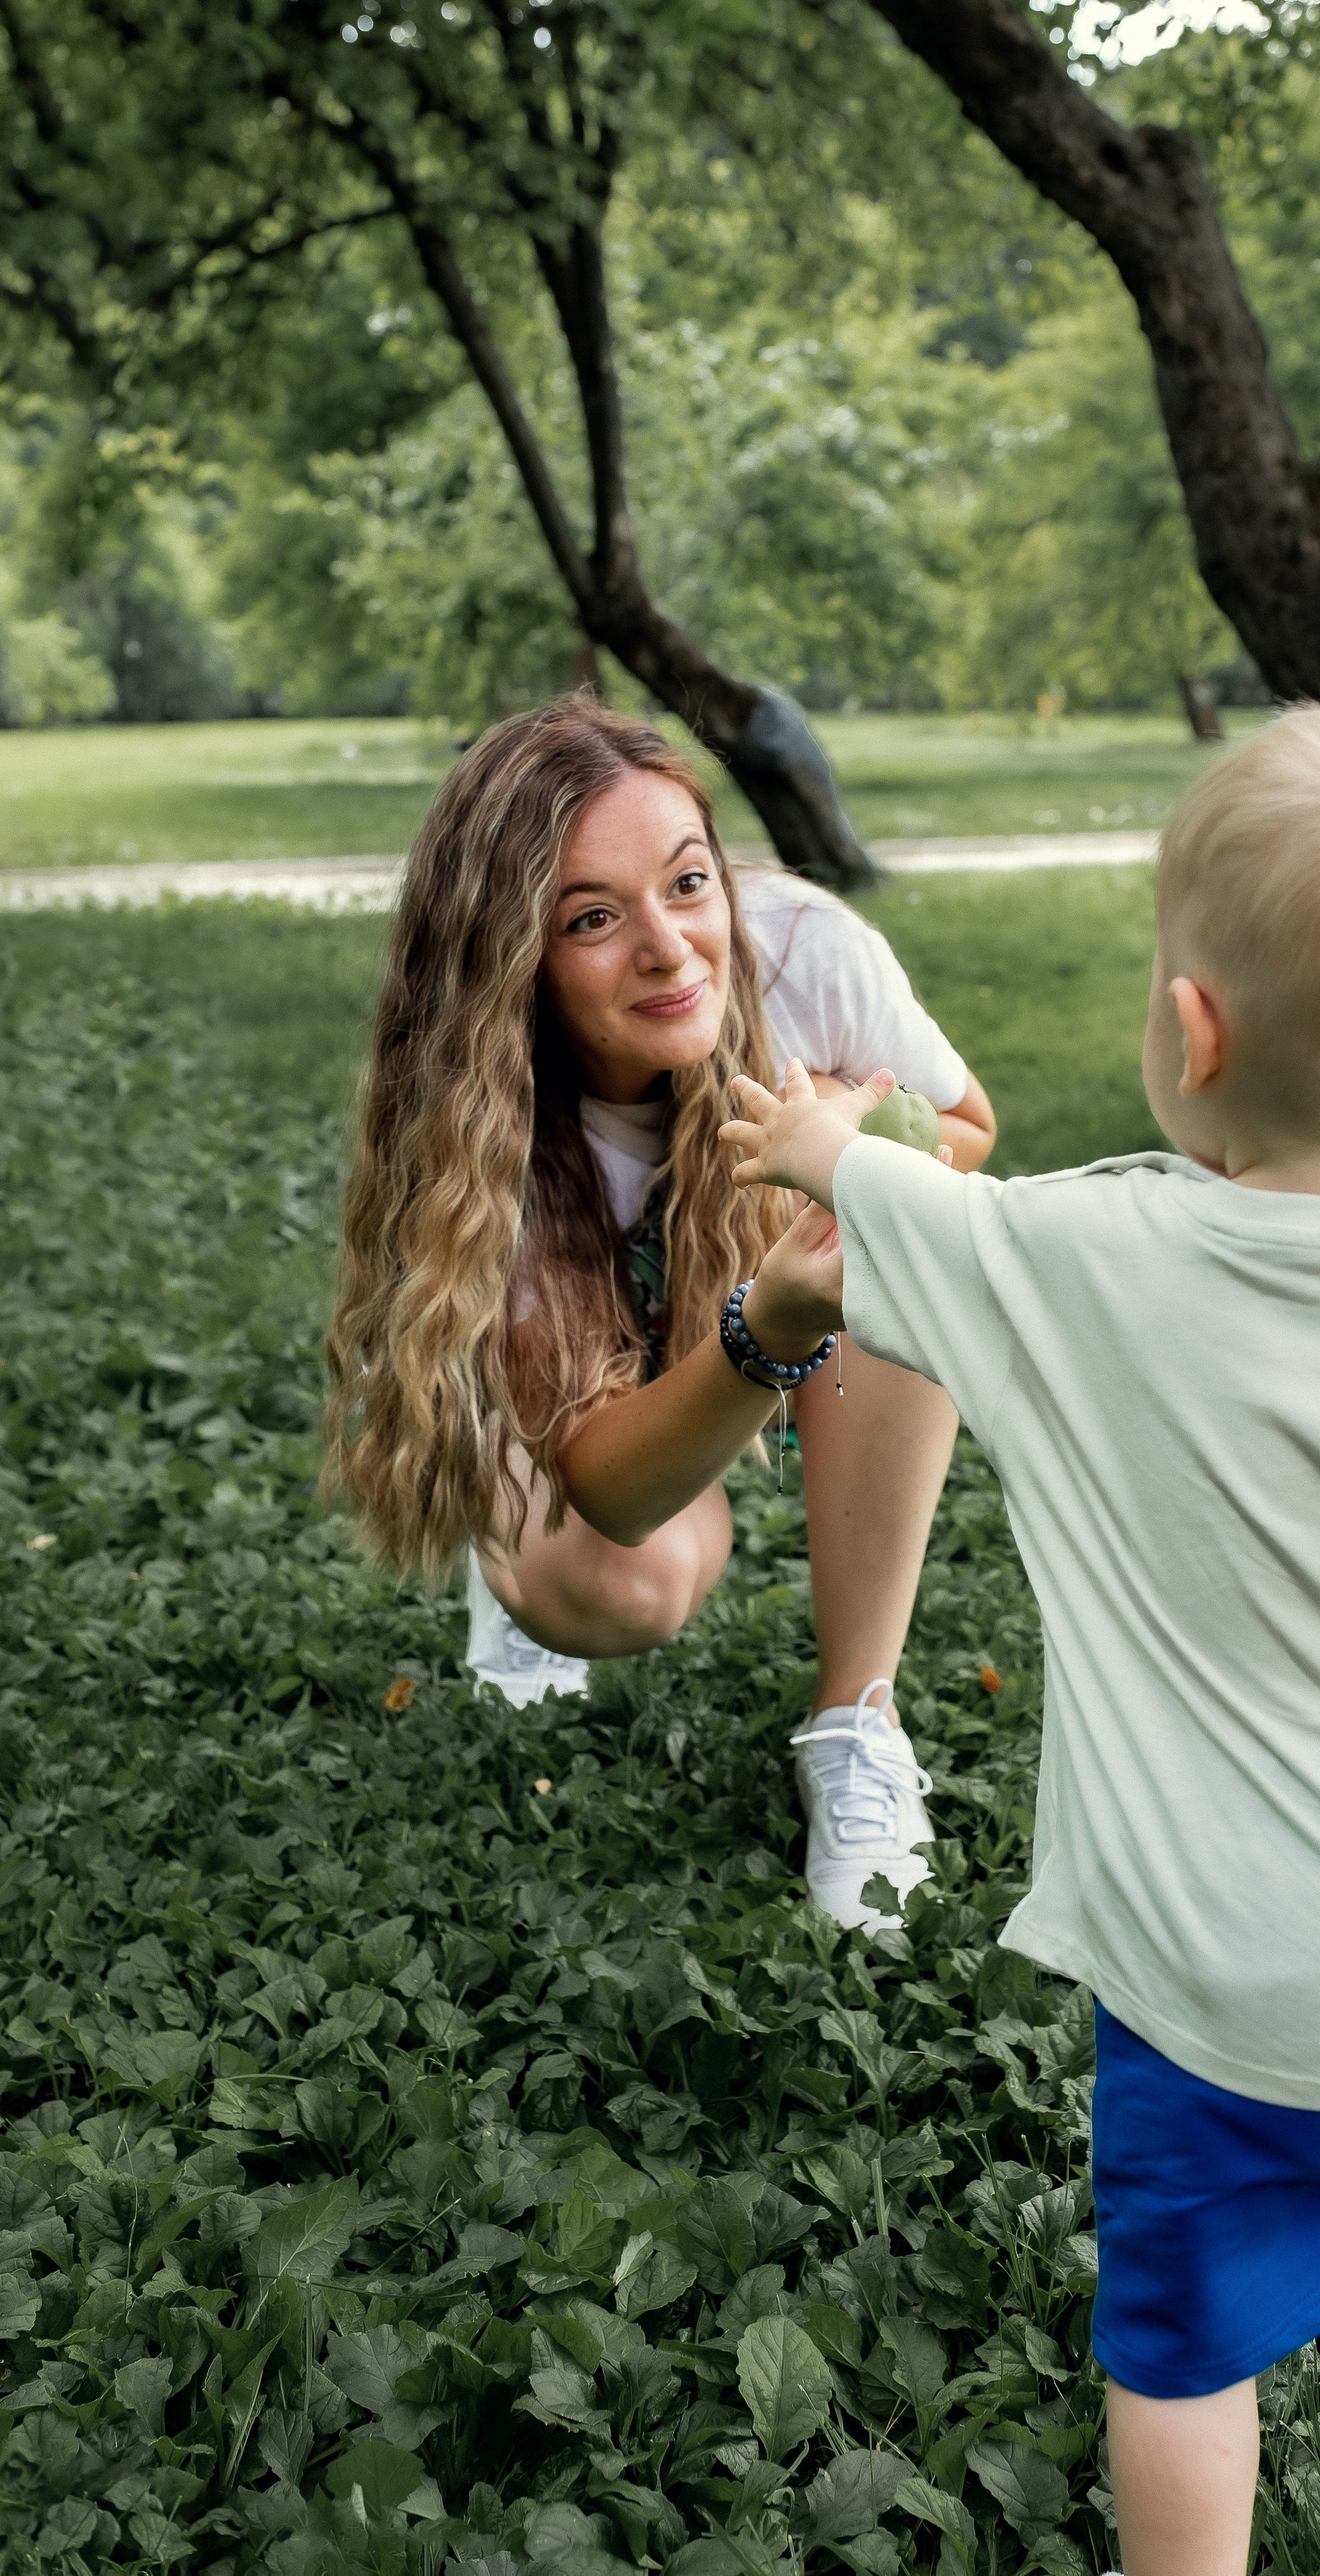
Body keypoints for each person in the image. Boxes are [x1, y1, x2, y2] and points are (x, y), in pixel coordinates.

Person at [718, 703, 1320, 2576]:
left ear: (1191, 1032)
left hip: (1219, 1984)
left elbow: (886, 1197)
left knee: (1182, 2345)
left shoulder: (1080, 1258)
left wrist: (813, 1131)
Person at [327, 693, 995, 1927]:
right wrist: (766, 1328)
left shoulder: (804, 952)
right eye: (592, 917)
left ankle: (857, 1726)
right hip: (651, 1359)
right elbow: (625, 1497)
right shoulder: (489, 1110)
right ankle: (513, 1512)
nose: (672, 948)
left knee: (901, 1224)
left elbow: (969, 1129)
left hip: (742, 1272)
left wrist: (856, 1157)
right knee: (625, 1589)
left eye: (689, 883)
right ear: (513, 954)